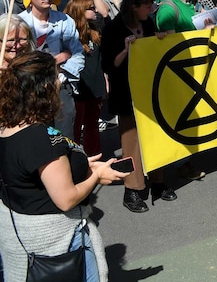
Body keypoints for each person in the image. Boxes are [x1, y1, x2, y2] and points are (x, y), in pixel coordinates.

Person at [0, 51, 128, 281]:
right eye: (56, 77)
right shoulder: (41, 139)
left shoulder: (7, 126)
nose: (60, 82)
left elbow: (33, 172)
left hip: (24, 237)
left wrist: (77, 165)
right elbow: (66, 198)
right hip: (57, 244)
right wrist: (97, 176)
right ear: (43, 88)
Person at [101, 0, 179, 212]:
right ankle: (132, 190)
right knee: (131, 143)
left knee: (157, 136)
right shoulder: (113, 29)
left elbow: (152, 52)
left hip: (149, 90)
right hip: (126, 94)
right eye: (147, 5)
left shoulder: (147, 24)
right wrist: (126, 49)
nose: (151, 9)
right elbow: (109, 66)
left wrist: (158, 40)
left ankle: (157, 182)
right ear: (134, 6)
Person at [18, 0, 85, 139]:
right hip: (29, 90)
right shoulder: (18, 23)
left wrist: (61, 76)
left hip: (61, 87)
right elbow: (16, 60)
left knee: (64, 139)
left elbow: (77, 53)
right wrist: (56, 59)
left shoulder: (65, 21)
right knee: (35, 140)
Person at [64, 0, 106, 157]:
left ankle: (94, 157)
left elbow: (104, 14)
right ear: (80, 11)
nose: (94, 10)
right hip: (78, 88)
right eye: (90, 8)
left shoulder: (95, 30)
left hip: (95, 85)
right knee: (74, 128)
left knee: (92, 125)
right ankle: (75, 161)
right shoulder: (69, 34)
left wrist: (105, 81)